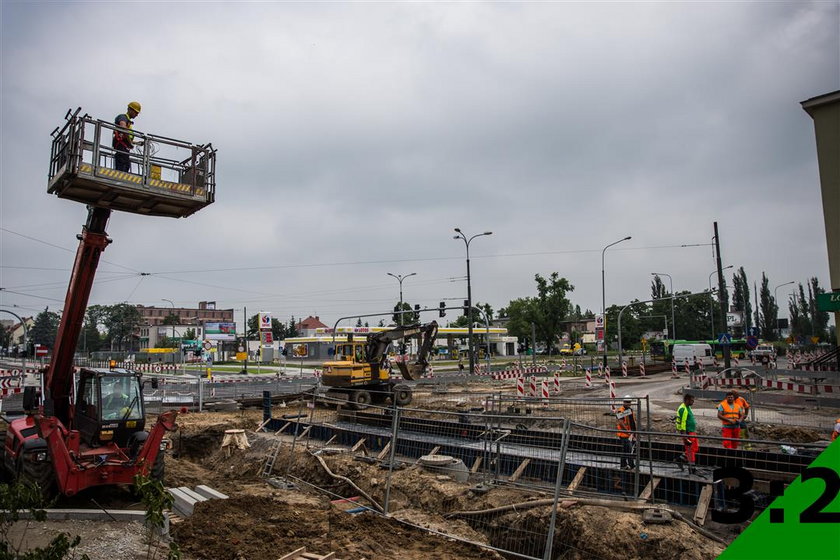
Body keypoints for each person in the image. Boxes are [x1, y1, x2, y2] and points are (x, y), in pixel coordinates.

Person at [113, 101, 141, 172]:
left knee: (126, 166)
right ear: (130, 109)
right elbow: (123, 128)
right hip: (121, 148)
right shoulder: (123, 117)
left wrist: (136, 143)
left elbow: (126, 136)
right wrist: (129, 143)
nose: (137, 115)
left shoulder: (128, 121)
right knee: (122, 168)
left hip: (124, 148)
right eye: (136, 112)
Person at [675, 393, 698, 474]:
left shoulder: (688, 407)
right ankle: (692, 468)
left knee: (695, 448)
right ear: (687, 400)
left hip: (692, 431)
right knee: (690, 450)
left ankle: (680, 459)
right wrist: (684, 436)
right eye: (692, 400)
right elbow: (683, 423)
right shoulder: (683, 409)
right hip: (687, 432)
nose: (693, 402)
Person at [616, 396, 636, 470]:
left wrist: (634, 433)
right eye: (626, 402)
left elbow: (632, 422)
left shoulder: (629, 410)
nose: (628, 403)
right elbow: (621, 422)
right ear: (623, 402)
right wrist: (628, 432)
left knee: (625, 450)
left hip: (629, 434)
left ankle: (623, 465)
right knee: (629, 450)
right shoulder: (621, 410)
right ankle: (632, 466)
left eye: (629, 402)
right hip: (624, 434)